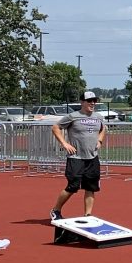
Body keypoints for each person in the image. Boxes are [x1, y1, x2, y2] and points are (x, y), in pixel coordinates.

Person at [50, 91, 107, 220]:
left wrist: (100, 141)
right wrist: (64, 143)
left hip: (92, 157)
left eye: (94, 101)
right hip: (76, 157)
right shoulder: (73, 116)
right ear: (82, 102)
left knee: (90, 187)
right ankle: (56, 210)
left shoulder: (98, 117)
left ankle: (88, 215)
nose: (92, 103)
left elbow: (104, 129)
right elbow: (55, 127)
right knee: (73, 186)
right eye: (89, 101)